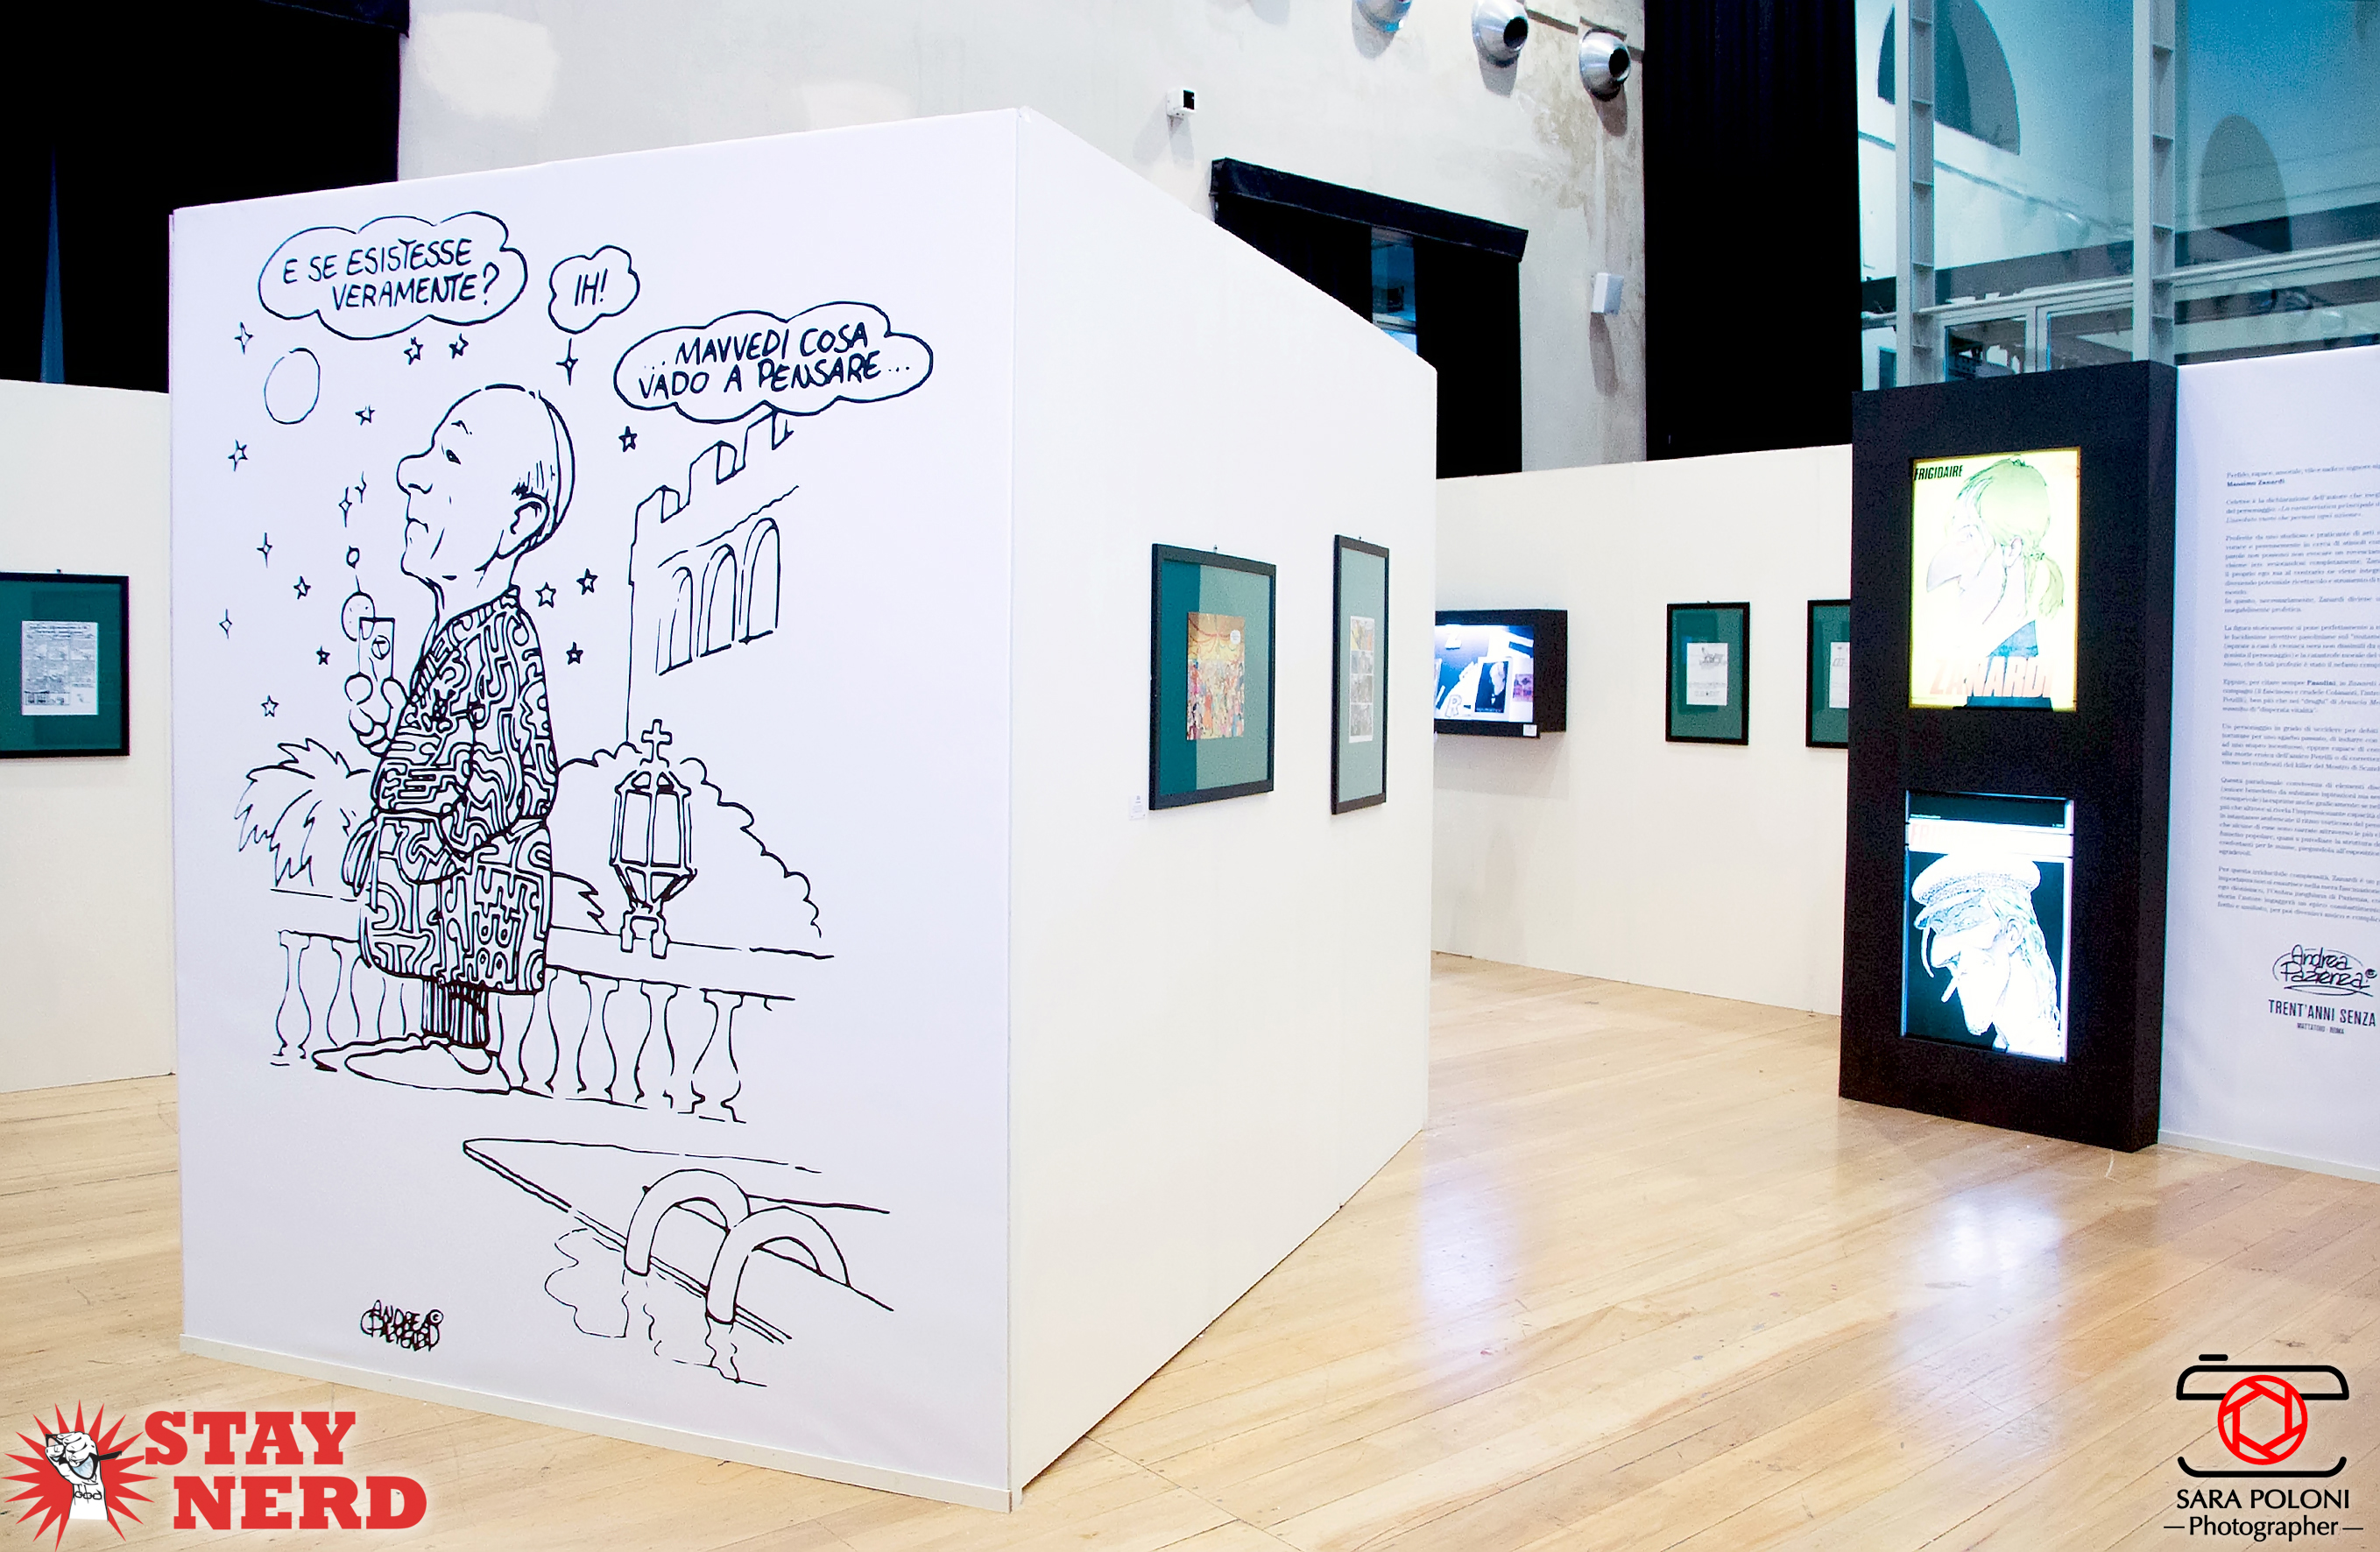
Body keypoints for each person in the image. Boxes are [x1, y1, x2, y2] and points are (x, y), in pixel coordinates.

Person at [326, 385, 574, 1091]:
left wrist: (448, 836)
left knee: (460, 942)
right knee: (434, 943)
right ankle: (444, 1039)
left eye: (452, 459)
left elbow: (524, 771)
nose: (414, 474)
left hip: (472, 867)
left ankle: (465, 1048)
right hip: (430, 864)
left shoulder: (500, 638)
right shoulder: (452, 635)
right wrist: (384, 823)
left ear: (518, 523)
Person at [1910, 853, 2065, 1061]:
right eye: (1941, 930)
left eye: (1965, 922)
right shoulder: (2005, 1045)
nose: (1943, 959)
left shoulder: (2046, 1052)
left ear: (2012, 933)